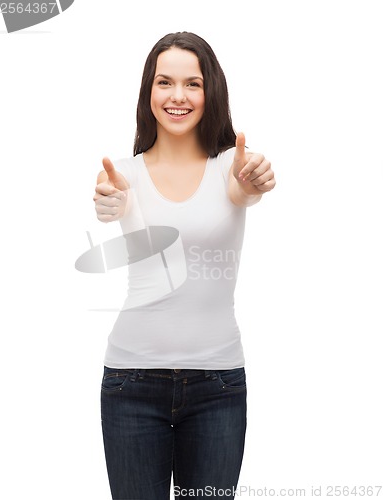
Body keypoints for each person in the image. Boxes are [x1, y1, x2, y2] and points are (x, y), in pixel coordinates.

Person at [93, 31, 275, 500]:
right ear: (148, 92)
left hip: (218, 386)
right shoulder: (122, 173)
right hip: (131, 385)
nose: (178, 96)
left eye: (192, 84)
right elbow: (110, 200)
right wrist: (108, 203)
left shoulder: (232, 166)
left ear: (210, 90)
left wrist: (255, 178)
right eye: (164, 82)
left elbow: (246, 187)